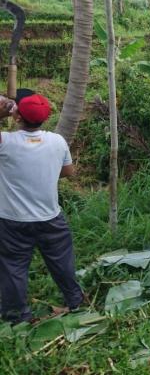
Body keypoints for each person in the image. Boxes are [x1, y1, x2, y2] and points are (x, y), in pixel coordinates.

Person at [0, 92, 85, 323]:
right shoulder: (57, 141)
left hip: (12, 221)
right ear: (45, 117)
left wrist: (3, 111)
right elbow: (68, 171)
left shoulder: (6, 142)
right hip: (50, 217)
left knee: (13, 267)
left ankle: (17, 317)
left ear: (17, 117)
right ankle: (75, 301)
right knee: (62, 262)